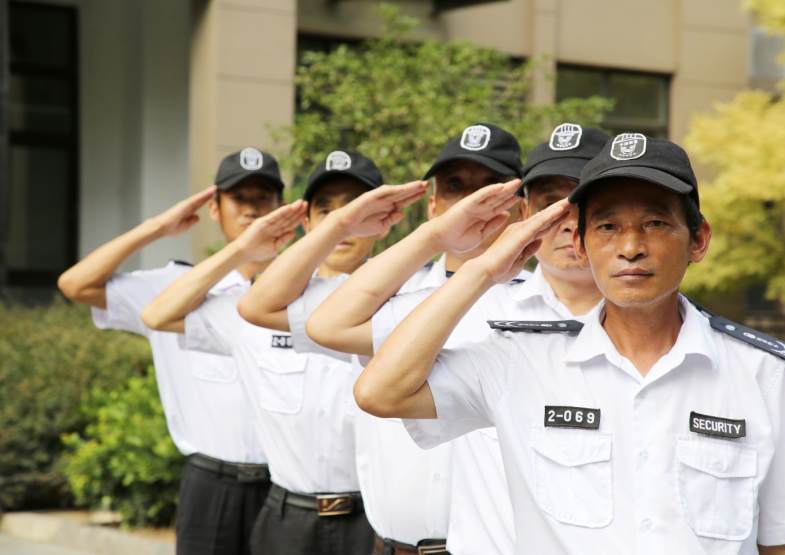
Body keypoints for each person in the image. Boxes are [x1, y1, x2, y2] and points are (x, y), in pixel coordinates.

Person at [356, 133, 785, 554]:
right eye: (606, 227)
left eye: (655, 223)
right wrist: (483, 270)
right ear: (582, 245)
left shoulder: (758, 372)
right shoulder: (519, 361)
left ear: (698, 240)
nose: (630, 247)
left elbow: (781, 541)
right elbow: (380, 392)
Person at [305, 123, 609, 554]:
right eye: (550, 204)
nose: (565, 220)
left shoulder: (649, 330)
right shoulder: (475, 302)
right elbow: (327, 327)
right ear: (528, 213)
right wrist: (439, 237)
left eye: (580, 201)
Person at [239, 124, 525, 555]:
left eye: (491, 187)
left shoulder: (543, 308)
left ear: (522, 208)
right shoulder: (382, 294)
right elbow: (260, 306)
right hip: (387, 546)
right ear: (433, 205)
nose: (473, 201)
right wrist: (342, 222)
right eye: (454, 187)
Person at [141, 149, 426, 555]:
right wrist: (242, 249)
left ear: (383, 221)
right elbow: (157, 314)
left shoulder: (412, 299)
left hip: (372, 521)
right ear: (306, 221)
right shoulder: (267, 306)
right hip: (286, 520)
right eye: (325, 210)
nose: (340, 221)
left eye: (354, 208)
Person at [57, 148, 298, 555]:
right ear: (214, 209)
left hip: (287, 485)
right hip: (211, 487)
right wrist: (156, 227)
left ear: (282, 207)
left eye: (263, 198)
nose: (252, 210)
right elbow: (76, 285)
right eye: (239, 198)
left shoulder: (301, 288)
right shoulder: (173, 287)